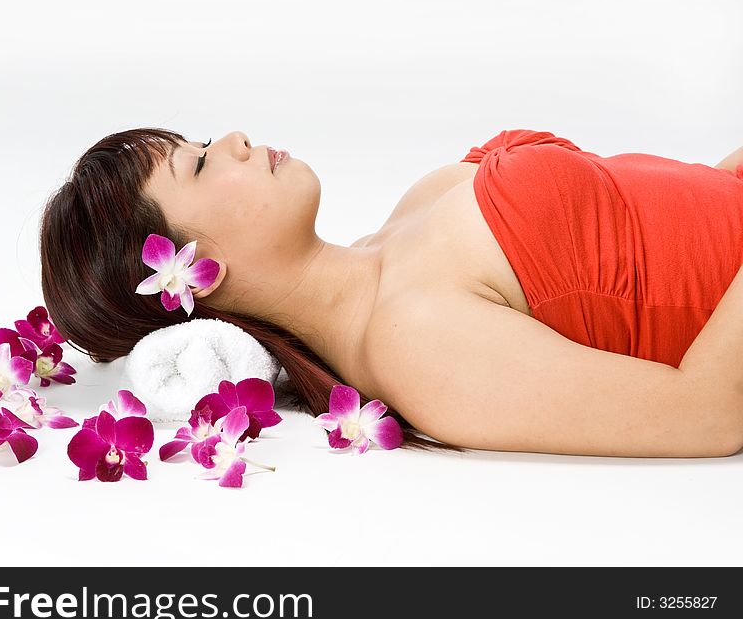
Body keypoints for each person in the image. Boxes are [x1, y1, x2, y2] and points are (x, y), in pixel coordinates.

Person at [39, 127, 743, 458]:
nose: (235, 138)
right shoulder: (416, 347)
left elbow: (681, 233)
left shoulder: (419, 202)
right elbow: (708, 412)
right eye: (199, 163)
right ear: (194, 273)